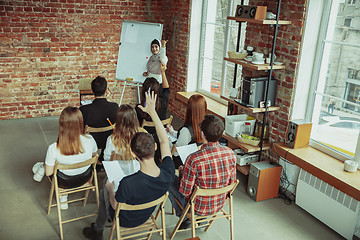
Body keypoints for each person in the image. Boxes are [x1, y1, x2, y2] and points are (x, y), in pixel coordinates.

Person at [82, 91, 175, 240]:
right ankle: (97, 227)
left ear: (133, 153)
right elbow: (164, 140)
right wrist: (152, 112)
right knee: (105, 191)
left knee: (105, 190)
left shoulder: (128, 183)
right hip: (146, 215)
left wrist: (112, 190)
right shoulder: (168, 173)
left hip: (126, 219)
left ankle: (97, 230)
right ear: (155, 147)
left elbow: (116, 205)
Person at [168, 114, 237, 229]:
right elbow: (232, 182)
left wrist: (182, 172)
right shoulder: (231, 154)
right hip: (218, 205)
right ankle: (202, 221)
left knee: (168, 178)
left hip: (197, 207)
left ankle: (185, 217)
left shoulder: (194, 159)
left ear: (203, 134)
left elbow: (185, 192)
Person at [44, 106, 98, 210]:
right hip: (85, 178)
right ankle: (41, 167)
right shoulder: (90, 139)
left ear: (62, 124)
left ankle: (63, 195)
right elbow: (94, 154)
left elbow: (49, 173)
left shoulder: (53, 148)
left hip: (64, 182)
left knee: (49, 168)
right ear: (80, 122)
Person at [80, 76, 118, 165]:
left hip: (91, 143)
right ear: (106, 90)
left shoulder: (84, 110)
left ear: (92, 91)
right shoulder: (114, 107)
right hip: (109, 141)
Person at [136, 63, 170, 164]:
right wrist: (163, 72)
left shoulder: (139, 108)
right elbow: (167, 89)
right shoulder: (163, 103)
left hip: (145, 145)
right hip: (160, 143)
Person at [102, 104, 146, 175]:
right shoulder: (142, 135)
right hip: (138, 175)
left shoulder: (111, 139)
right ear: (135, 119)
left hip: (118, 177)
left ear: (118, 121)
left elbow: (106, 158)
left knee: (105, 183)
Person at [167, 94, 207, 168]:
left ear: (189, 109)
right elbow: (187, 137)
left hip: (183, 162)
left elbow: (176, 152)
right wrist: (172, 132)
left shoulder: (186, 130)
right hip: (198, 158)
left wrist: (167, 141)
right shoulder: (206, 124)